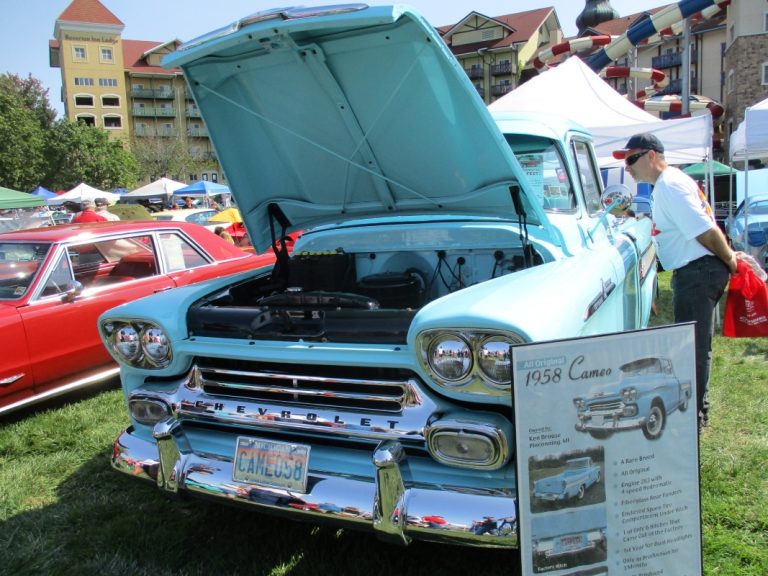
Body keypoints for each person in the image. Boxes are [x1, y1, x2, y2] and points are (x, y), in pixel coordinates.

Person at [613, 133, 737, 430]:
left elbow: (704, 230)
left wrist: (730, 259)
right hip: (696, 270)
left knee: (693, 348)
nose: (628, 167)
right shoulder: (667, 184)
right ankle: (697, 411)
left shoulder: (669, 185)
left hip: (698, 270)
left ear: (651, 155)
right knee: (695, 345)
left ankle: (694, 418)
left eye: (632, 159)